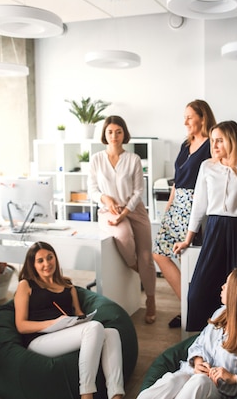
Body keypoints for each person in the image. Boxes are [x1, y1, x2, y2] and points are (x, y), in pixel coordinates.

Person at [173, 120, 237, 331]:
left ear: (232, 141)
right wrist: (188, 238)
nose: (213, 145)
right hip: (214, 230)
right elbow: (199, 205)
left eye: (219, 141)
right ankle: (204, 338)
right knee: (199, 291)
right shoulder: (207, 167)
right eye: (213, 140)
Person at [137, 268, 237, 399]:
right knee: (172, 380)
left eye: (227, 284)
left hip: (217, 390)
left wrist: (234, 378)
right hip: (191, 374)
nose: (223, 286)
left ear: (236, 294)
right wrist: (198, 362)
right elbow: (199, 343)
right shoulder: (220, 313)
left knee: (199, 382)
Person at [14, 241, 124, 399]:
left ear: (55, 259)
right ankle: (86, 394)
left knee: (111, 332)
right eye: (40, 261)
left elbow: (79, 313)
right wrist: (53, 323)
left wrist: (80, 319)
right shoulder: (26, 285)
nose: (47, 263)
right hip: (39, 341)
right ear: (33, 265)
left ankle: (116, 395)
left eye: (50, 258)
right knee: (94, 328)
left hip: (65, 334)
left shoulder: (68, 285)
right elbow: (21, 326)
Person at [153, 99, 217, 328]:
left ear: (203, 117)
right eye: (185, 116)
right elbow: (176, 180)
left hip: (194, 206)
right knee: (160, 253)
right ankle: (188, 305)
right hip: (176, 204)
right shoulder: (185, 144)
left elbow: (218, 177)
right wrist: (168, 208)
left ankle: (192, 309)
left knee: (187, 258)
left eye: (190, 116)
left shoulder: (212, 144)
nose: (185, 121)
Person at [88, 115, 157, 324]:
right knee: (123, 233)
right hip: (108, 211)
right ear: (105, 135)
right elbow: (91, 189)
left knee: (147, 257)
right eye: (110, 132)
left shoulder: (133, 159)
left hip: (134, 210)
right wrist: (105, 199)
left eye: (118, 132)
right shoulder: (96, 159)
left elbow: (138, 190)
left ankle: (151, 300)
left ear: (124, 134)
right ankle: (135, 267)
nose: (114, 136)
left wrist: (125, 212)